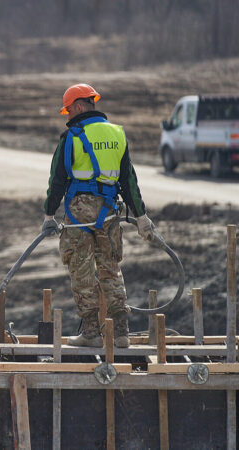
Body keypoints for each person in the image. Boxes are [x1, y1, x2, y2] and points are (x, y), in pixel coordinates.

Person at [42, 83, 154, 348]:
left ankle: (91, 333)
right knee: (111, 268)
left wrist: (48, 215)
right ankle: (121, 333)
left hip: (79, 211)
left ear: (79, 107)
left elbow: (57, 180)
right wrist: (141, 216)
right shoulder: (117, 134)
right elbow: (128, 181)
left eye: (68, 110)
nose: (67, 116)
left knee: (81, 269)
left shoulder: (70, 137)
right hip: (109, 212)